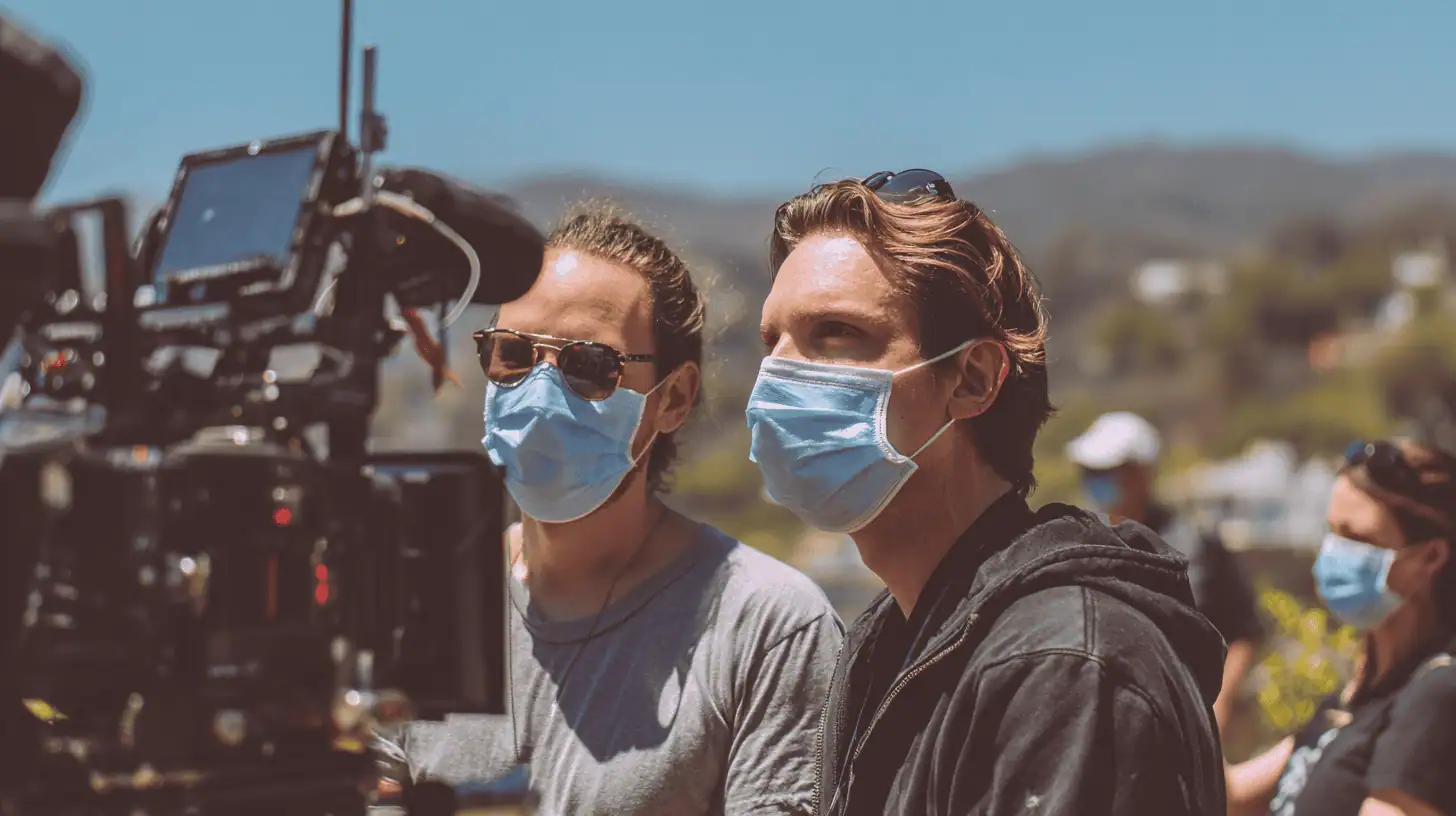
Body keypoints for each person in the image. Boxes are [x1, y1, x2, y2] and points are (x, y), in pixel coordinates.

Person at [748, 170, 1227, 815]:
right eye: (771, 342)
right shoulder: (893, 643)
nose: (778, 375)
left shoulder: (1062, 664)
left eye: (835, 333)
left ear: (972, 379)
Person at [385, 204, 844, 815]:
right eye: (512, 354)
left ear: (673, 398)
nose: (540, 393)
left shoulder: (767, 625)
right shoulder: (420, 601)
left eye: (589, 366)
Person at [1226, 439, 1456, 816]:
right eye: (1332, 531)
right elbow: (1229, 796)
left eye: (1357, 538)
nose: (1333, 552)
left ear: (1430, 557)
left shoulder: (1436, 696)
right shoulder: (1355, 699)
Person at [1067, 410, 1266, 736]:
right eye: (1089, 471)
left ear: (1143, 473)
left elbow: (1244, 628)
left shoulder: (1195, 543)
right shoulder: (1077, 543)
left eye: (1108, 471)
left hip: (1180, 724)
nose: (1096, 480)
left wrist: (1220, 706)